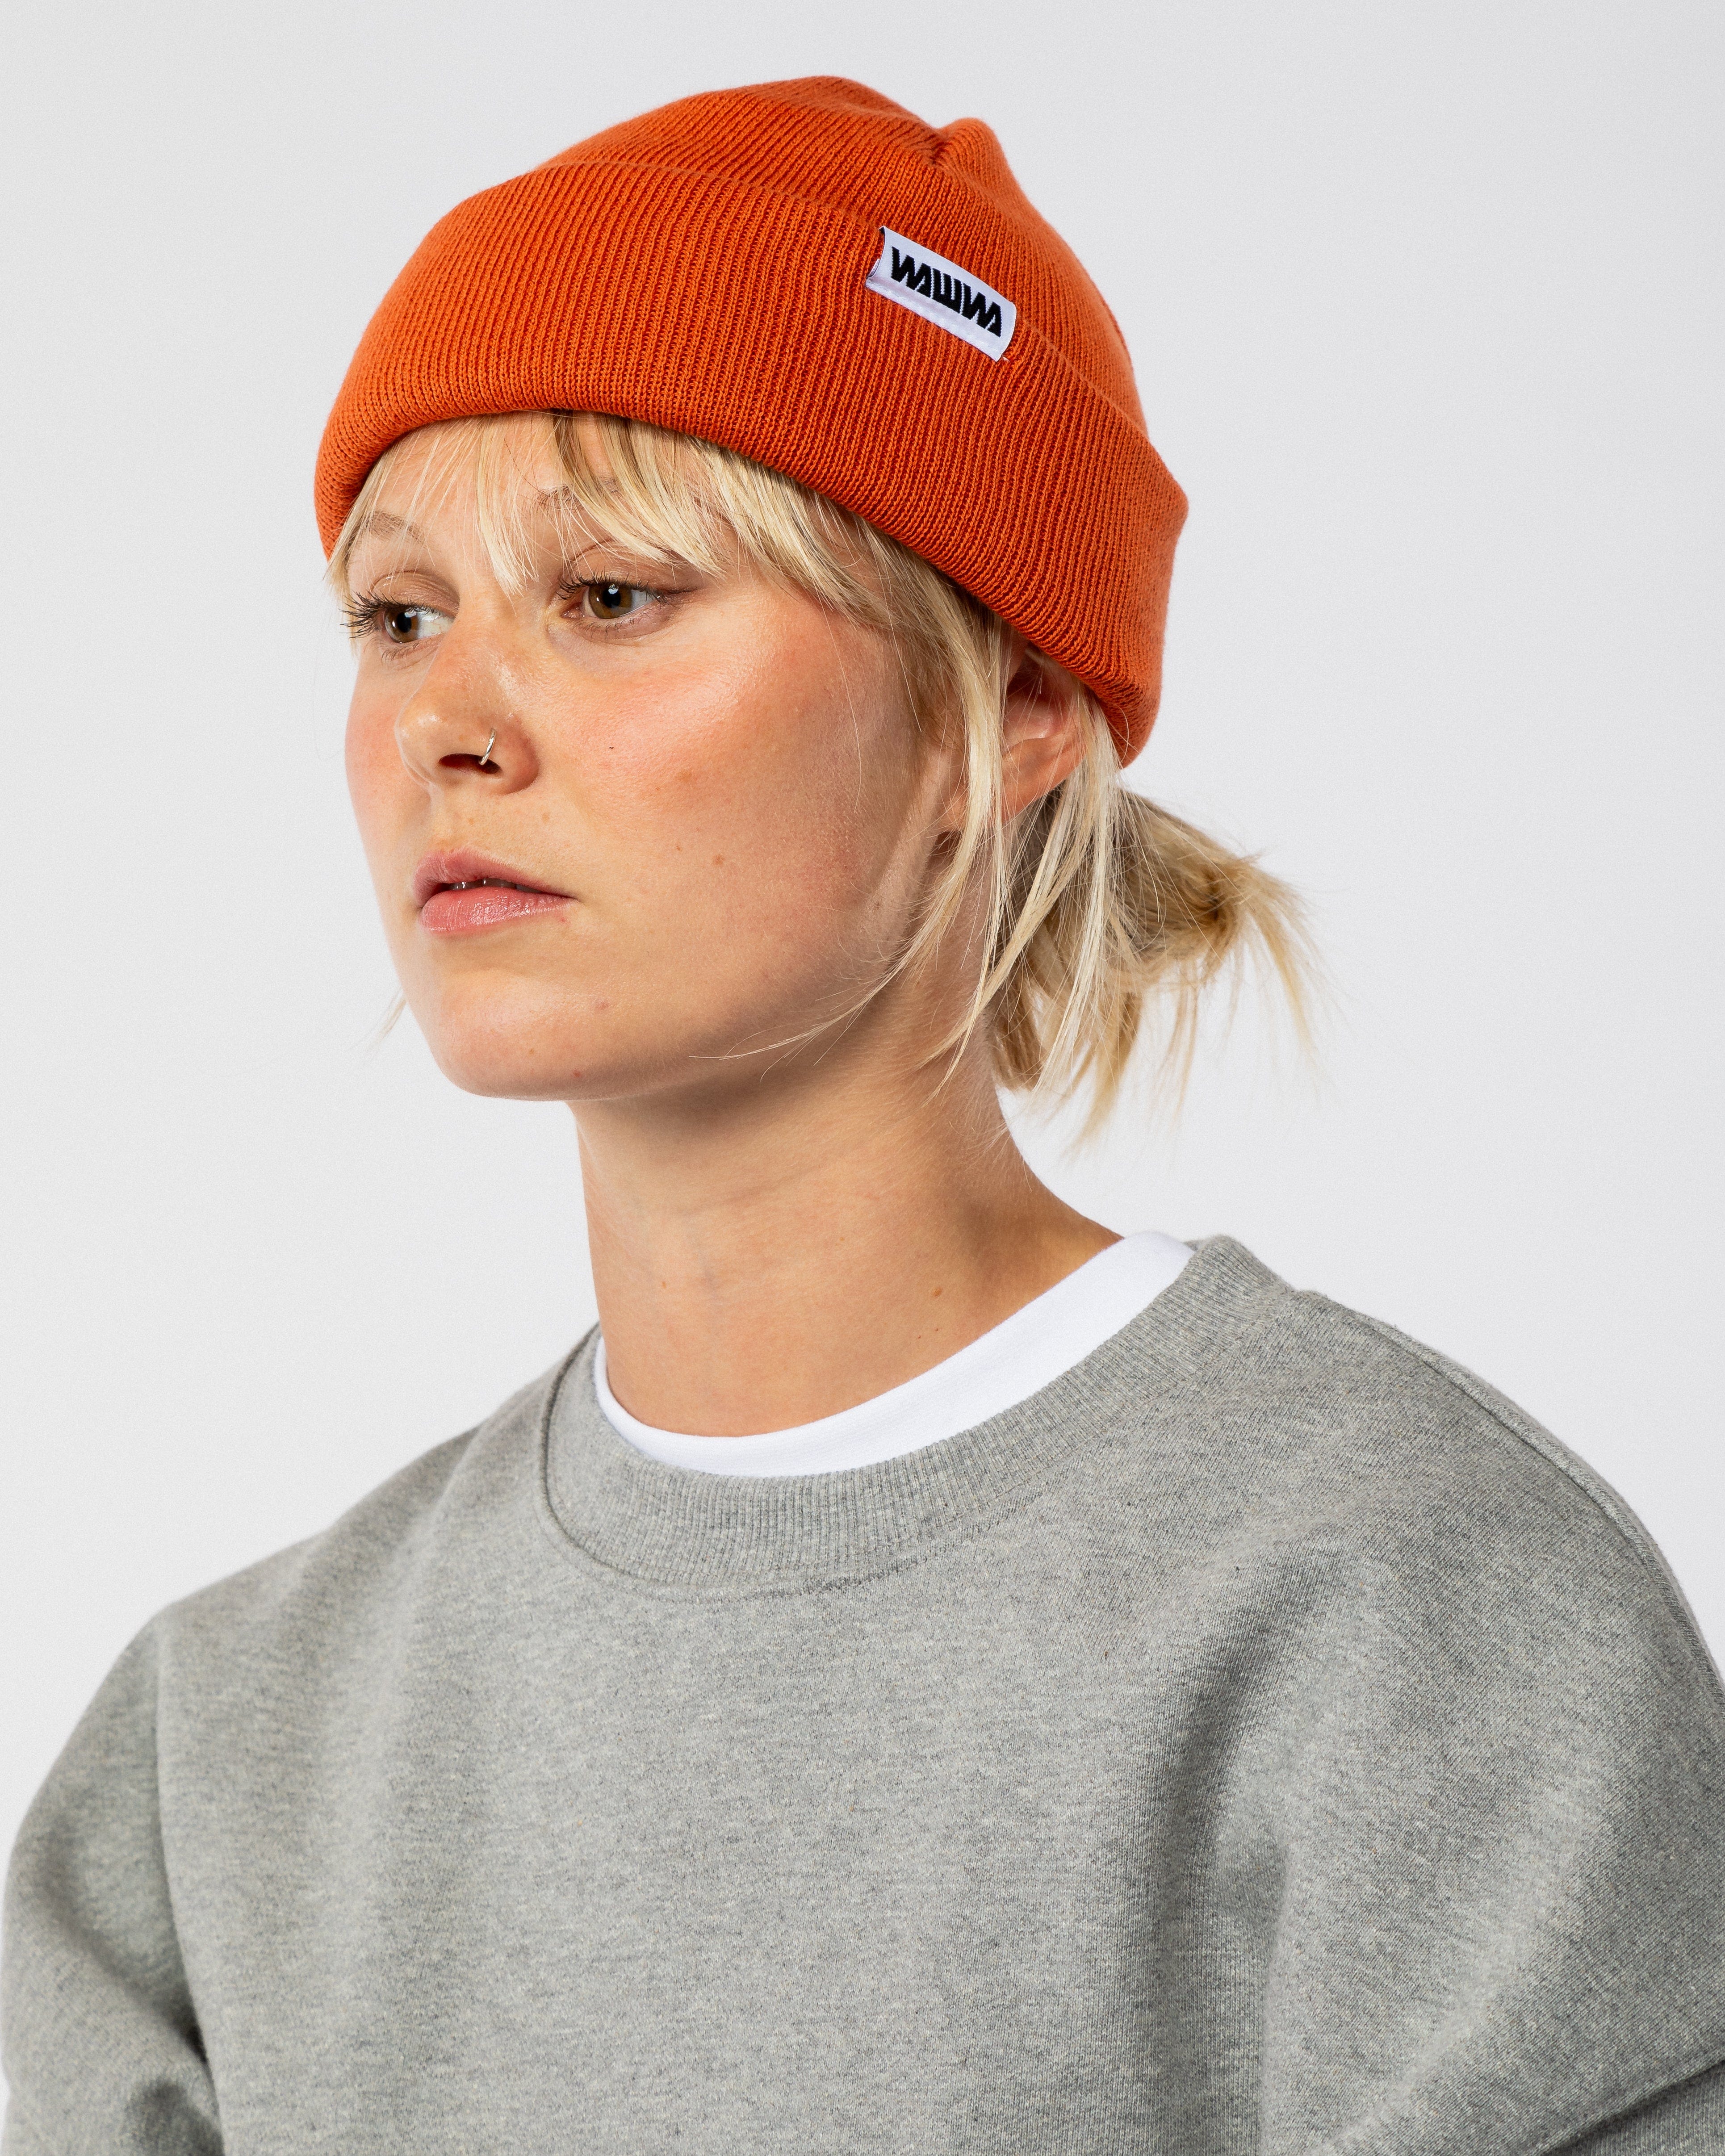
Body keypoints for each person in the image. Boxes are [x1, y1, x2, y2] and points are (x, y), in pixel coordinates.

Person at [4, 75, 1722, 2156]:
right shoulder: (220, 1763)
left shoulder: (1415, 1620)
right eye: (398, 615)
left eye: (613, 594)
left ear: (1011, 706)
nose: (446, 721)